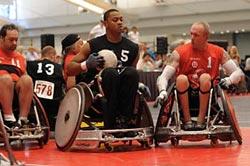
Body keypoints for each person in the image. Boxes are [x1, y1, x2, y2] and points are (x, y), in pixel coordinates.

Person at [157, 21, 244, 130]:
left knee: (205, 77)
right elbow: (164, 76)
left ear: (206, 36)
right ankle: (187, 120)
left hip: (208, 92)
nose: (192, 37)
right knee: (181, 78)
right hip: (185, 91)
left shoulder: (218, 51)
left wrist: (229, 80)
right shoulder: (179, 52)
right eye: (191, 34)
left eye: (196, 35)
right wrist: (162, 91)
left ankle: (201, 120)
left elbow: (238, 72)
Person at [67, 8, 139, 130]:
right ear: (105, 24)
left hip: (122, 92)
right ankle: (110, 122)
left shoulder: (133, 48)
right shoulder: (92, 44)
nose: (120, 22)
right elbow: (69, 69)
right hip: (97, 93)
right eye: (115, 20)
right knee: (110, 73)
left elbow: (132, 75)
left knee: (132, 72)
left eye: (121, 19)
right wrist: (86, 64)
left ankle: (125, 120)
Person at [0, 24, 33, 129]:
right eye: (11, 40)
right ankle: (9, 119)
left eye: (16, 40)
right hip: (2, 86)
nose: (14, 43)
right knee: (6, 78)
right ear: (1, 38)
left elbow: (25, 76)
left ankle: (22, 120)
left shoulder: (20, 58)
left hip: (17, 90)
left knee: (27, 79)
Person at [27, 46, 65, 131]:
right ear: (53, 56)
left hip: (35, 102)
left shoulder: (30, 65)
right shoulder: (59, 67)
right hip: (54, 103)